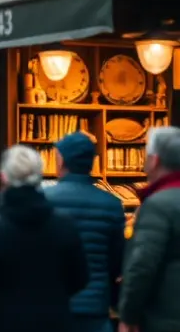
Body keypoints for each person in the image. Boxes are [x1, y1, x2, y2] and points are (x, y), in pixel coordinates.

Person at [0, 145, 88, 332]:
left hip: (4, 321)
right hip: (55, 321)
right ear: (39, 176)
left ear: (3, 176)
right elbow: (80, 278)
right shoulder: (65, 226)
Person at [42, 132, 125, 332]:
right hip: (95, 308)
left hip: (52, 306)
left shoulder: (42, 199)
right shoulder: (112, 204)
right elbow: (117, 262)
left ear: (61, 161)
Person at [119, 126, 180, 332]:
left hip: (165, 318)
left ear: (154, 161)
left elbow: (142, 266)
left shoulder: (158, 204)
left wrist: (128, 316)